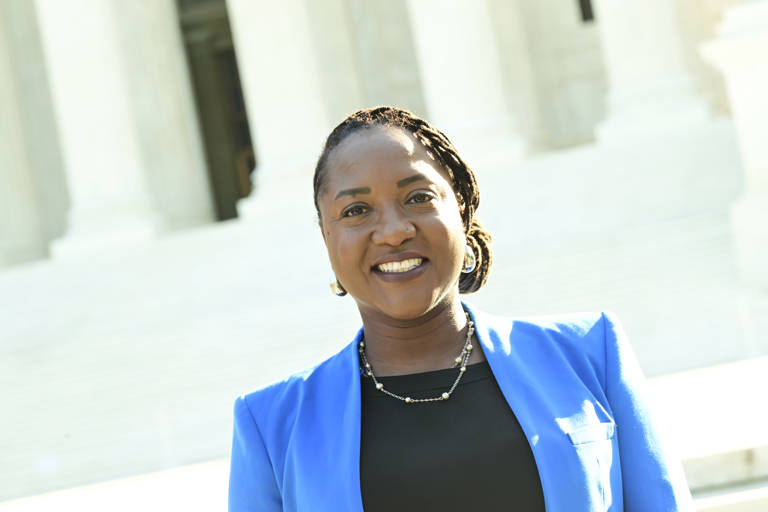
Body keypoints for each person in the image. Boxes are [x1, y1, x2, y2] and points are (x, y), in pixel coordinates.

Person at [228, 106, 694, 511]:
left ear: (462, 212)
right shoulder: (271, 425)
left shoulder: (590, 355)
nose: (393, 231)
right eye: (356, 211)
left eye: (418, 198)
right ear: (327, 239)